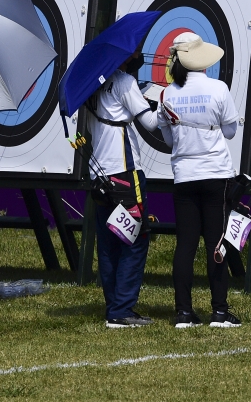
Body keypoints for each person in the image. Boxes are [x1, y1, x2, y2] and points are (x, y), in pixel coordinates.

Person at [156, 32, 242, 328]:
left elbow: (168, 139)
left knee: (185, 245)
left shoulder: (166, 94)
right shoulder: (218, 88)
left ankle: (183, 313)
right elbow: (230, 132)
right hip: (216, 175)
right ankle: (219, 311)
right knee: (216, 243)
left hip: (184, 177)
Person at [81, 51, 163, 328]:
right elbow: (151, 123)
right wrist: (163, 103)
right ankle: (122, 309)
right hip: (125, 172)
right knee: (135, 238)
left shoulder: (90, 84)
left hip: (99, 174)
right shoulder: (125, 81)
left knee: (108, 241)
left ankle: (114, 306)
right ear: (126, 57)